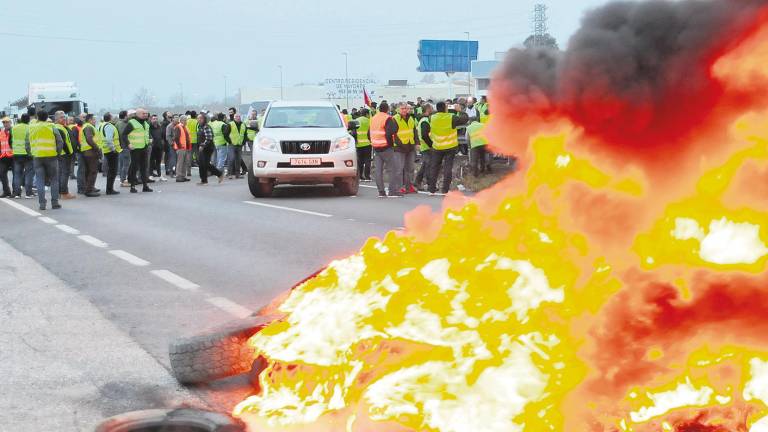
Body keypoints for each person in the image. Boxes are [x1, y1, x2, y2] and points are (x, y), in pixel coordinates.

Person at [427, 101, 469, 196]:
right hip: (450, 147)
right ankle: (445, 190)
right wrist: (460, 110)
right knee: (447, 168)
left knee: (434, 168)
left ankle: (431, 189)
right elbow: (464, 119)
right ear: (446, 108)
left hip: (437, 146)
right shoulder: (451, 117)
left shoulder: (432, 118)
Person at [29, 110, 64, 210]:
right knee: (54, 179)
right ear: (47, 117)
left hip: (37, 157)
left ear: (37, 117)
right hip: (51, 156)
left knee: (40, 180)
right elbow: (60, 141)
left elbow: (27, 142)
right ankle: (55, 202)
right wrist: (57, 153)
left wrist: (32, 153)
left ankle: (42, 204)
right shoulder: (51, 126)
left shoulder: (31, 127)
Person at [370, 102, 402, 198]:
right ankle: (392, 191)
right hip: (386, 147)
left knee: (378, 171)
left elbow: (369, 133)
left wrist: (374, 142)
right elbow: (390, 133)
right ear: (387, 109)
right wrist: (390, 145)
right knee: (392, 170)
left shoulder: (373, 118)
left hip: (376, 147)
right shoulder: (387, 118)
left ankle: (381, 192)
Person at [122, 108, 153, 193]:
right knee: (134, 167)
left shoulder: (146, 123)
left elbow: (146, 133)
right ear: (138, 114)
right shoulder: (132, 123)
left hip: (144, 147)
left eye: (146, 113)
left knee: (144, 167)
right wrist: (128, 144)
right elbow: (124, 135)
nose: (146, 115)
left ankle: (145, 186)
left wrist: (150, 139)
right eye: (143, 113)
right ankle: (132, 186)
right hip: (135, 148)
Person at [393, 103, 419, 194]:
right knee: (399, 169)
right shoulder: (394, 119)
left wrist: (417, 142)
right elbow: (394, 134)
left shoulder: (411, 118)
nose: (404, 110)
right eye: (402, 108)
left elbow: (414, 131)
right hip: (399, 148)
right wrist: (401, 144)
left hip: (410, 146)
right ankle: (399, 187)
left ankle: (409, 186)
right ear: (398, 109)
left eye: (406, 108)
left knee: (410, 168)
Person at [53, 111, 76, 199]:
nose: (64, 118)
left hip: (63, 154)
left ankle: (61, 192)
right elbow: (62, 143)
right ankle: (64, 193)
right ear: (56, 119)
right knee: (64, 173)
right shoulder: (58, 127)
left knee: (61, 173)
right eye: (61, 117)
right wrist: (69, 152)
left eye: (64, 116)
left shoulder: (61, 127)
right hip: (64, 154)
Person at [79, 114, 103, 197]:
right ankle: (89, 190)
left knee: (89, 171)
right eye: (93, 119)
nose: (95, 121)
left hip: (88, 151)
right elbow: (89, 139)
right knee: (92, 171)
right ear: (89, 120)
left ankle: (90, 187)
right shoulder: (88, 127)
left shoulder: (87, 126)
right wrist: (97, 148)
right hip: (91, 151)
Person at [11, 114, 34, 199]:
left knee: (17, 174)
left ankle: (17, 193)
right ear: (28, 120)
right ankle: (28, 193)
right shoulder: (30, 127)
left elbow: (11, 139)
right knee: (28, 173)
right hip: (27, 154)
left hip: (16, 153)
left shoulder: (14, 127)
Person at [196, 114, 223, 185]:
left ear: (204, 119)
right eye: (198, 118)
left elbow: (209, 138)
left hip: (208, 148)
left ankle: (219, 174)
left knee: (205, 164)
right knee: (201, 164)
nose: (199, 120)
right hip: (201, 147)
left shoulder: (206, 127)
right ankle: (203, 180)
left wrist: (202, 145)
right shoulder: (200, 127)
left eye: (200, 118)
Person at [99, 112, 121, 195]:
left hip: (106, 150)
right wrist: (113, 149)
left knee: (111, 170)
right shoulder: (109, 126)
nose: (114, 118)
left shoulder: (101, 125)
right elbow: (109, 139)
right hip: (111, 151)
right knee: (113, 171)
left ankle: (109, 188)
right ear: (110, 118)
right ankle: (109, 189)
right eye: (113, 116)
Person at [414, 103, 434, 189]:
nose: (433, 110)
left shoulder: (422, 120)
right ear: (428, 109)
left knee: (425, 165)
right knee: (428, 166)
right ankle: (430, 185)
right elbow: (425, 135)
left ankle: (417, 182)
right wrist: (431, 144)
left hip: (424, 146)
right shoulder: (425, 121)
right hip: (426, 146)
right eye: (431, 108)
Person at [353, 108, 372, 181]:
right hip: (367, 143)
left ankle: (360, 176)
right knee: (367, 160)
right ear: (367, 114)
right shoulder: (369, 121)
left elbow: (354, 132)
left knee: (360, 161)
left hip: (358, 144)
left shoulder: (356, 120)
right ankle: (367, 176)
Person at [173, 114, 192, 182]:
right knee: (180, 163)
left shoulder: (185, 127)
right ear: (182, 120)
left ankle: (183, 176)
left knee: (184, 163)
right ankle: (178, 176)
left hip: (185, 148)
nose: (186, 121)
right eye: (185, 120)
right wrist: (179, 146)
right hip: (181, 148)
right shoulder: (178, 127)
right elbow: (176, 138)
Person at [227, 113, 246, 179]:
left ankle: (237, 174)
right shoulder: (230, 124)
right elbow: (226, 133)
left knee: (238, 160)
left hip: (239, 145)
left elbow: (245, 134)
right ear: (234, 118)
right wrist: (229, 141)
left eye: (239, 116)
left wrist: (244, 142)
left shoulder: (243, 124)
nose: (238, 118)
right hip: (232, 144)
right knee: (231, 159)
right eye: (236, 117)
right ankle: (229, 174)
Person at [116, 110, 132, 186]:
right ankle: (123, 180)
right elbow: (124, 135)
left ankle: (123, 180)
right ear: (125, 116)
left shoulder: (118, 123)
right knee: (126, 165)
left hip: (120, 146)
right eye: (128, 115)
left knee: (122, 164)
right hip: (125, 146)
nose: (129, 117)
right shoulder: (122, 124)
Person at [0, 117, 13, 198]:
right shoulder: (1, 132)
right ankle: (6, 191)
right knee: (2, 173)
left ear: (10, 122)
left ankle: (16, 192)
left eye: (7, 122)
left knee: (16, 174)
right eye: (4, 122)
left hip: (12, 156)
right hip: (3, 156)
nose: (5, 124)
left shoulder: (13, 131)